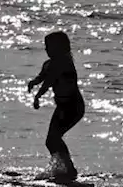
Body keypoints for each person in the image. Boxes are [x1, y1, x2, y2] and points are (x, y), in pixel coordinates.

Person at [27, 31, 85, 181]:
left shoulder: (65, 63)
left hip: (73, 106)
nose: (46, 50)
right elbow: (43, 76)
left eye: (50, 47)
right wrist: (33, 82)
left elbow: (50, 80)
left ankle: (68, 168)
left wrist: (38, 95)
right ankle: (61, 167)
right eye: (45, 47)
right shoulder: (48, 64)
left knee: (54, 137)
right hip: (62, 107)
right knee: (51, 140)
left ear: (61, 48)